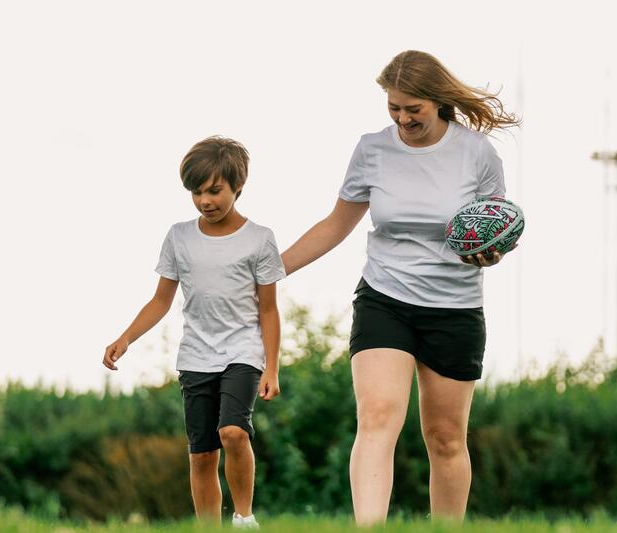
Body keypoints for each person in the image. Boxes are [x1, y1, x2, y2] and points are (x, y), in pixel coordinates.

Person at [281, 50, 520, 525]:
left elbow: (495, 230)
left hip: (454, 306)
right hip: (385, 298)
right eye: (394, 107)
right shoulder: (372, 150)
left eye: (413, 109)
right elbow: (335, 225)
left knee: (446, 436)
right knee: (378, 416)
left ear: (437, 101)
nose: (403, 118)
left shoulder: (477, 154)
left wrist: (493, 252)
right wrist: (270, 271)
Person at [102, 136, 285, 529]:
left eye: (215, 190)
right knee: (203, 455)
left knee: (234, 432)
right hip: (196, 356)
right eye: (197, 192)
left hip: (243, 351)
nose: (205, 201)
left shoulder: (259, 239)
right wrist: (125, 338)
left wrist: (272, 368)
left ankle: (243, 517)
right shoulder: (179, 237)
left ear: (238, 186)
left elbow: (268, 310)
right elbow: (160, 301)